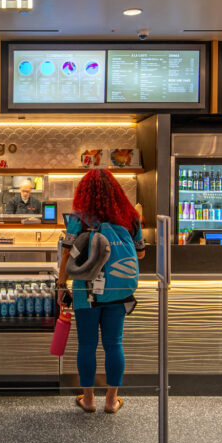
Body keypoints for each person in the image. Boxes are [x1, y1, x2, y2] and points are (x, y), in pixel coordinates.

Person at [56, 169, 145, 414]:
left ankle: (88, 400)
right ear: (115, 190)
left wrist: (61, 286)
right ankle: (111, 400)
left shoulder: (79, 218)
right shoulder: (130, 217)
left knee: (86, 344)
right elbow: (140, 253)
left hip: (87, 291)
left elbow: (67, 253)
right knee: (114, 343)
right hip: (118, 290)